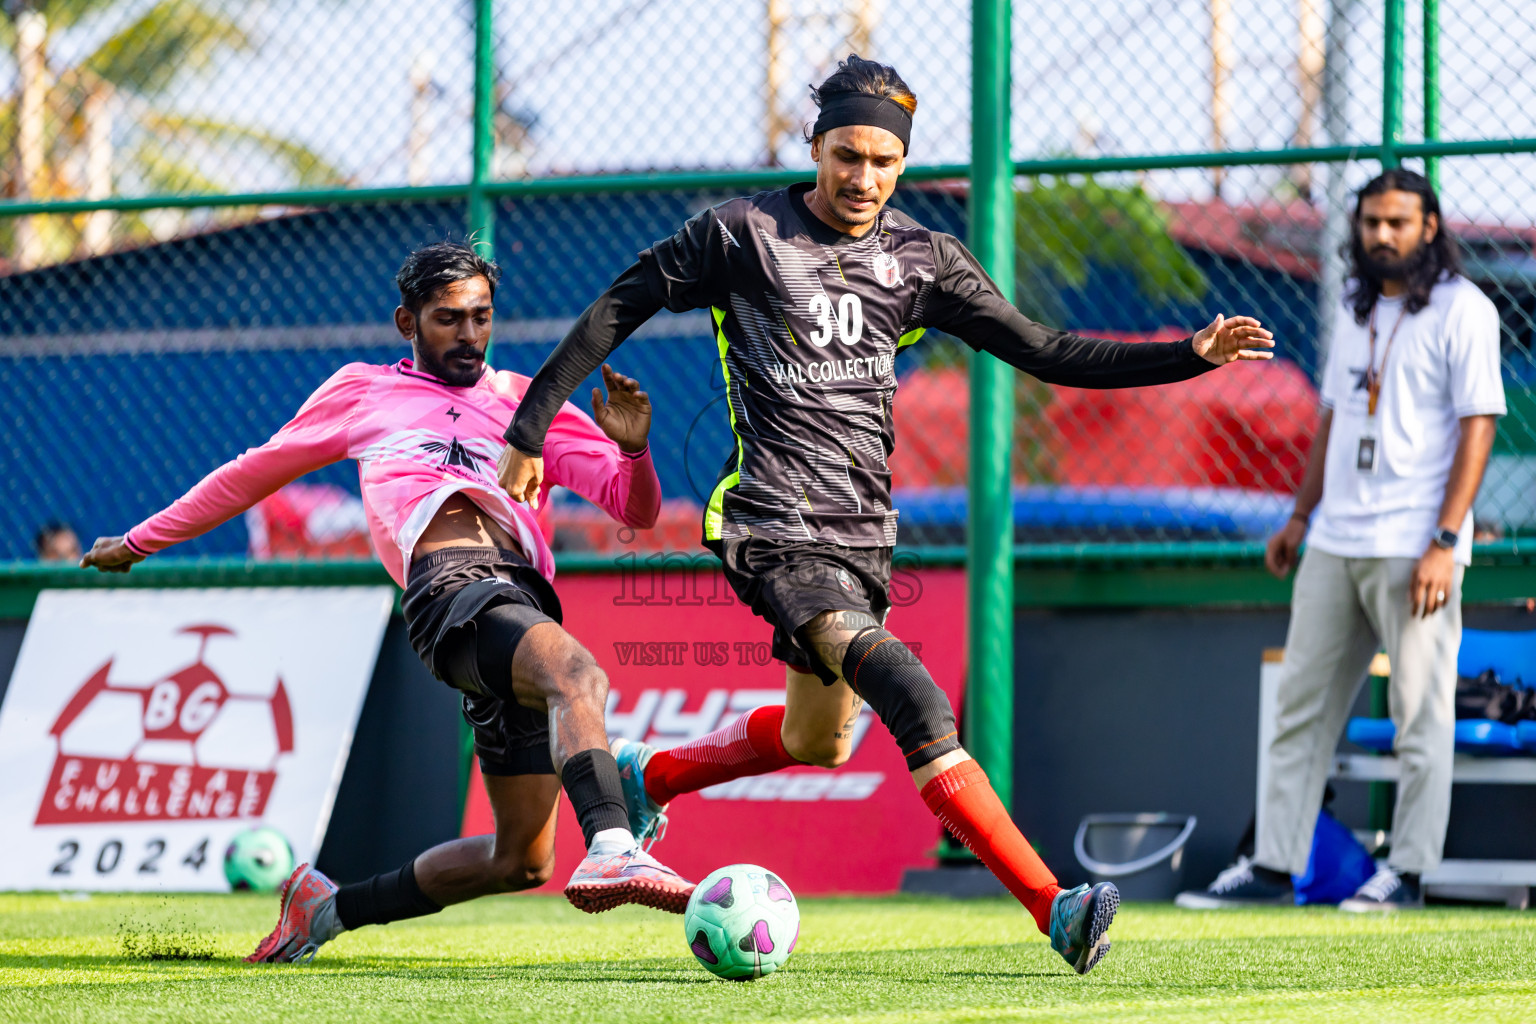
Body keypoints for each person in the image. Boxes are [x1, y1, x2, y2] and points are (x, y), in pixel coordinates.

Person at [494, 55, 1275, 974]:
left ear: (902, 165)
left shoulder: (921, 260)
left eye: (883, 162)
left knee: (814, 740)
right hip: (770, 525)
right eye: (847, 155)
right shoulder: (740, 234)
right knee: (913, 694)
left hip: (864, 532)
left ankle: (649, 776)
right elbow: (614, 310)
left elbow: (1049, 350)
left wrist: (1190, 353)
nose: (863, 178)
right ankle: (1053, 906)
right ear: (816, 146)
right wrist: (532, 427)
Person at [80, 242, 695, 963]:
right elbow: (251, 474)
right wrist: (139, 540)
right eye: (447, 319)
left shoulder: (528, 404)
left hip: (520, 602)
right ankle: (616, 843)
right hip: (452, 588)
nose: (468, 335)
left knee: (519, 861)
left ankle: (326, 910)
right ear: (408, 320)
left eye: (480, 318)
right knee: (579, 676)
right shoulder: (364, 391)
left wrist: (634, 453)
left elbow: (635, 509)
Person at [1176, 169, 1504, 912]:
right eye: (1372, 223)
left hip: (1416, 543)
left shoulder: (1466, 310)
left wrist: (1446, 539)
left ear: (1430, 228)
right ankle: (1270, 867)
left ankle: (1410, 874)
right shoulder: (1354, 308)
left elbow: (1479, 424)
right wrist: (1299, 517)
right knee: (1299, 709)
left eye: (1398, 222)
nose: (1383, 235)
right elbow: (1329, 419)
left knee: (1421, 711)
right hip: (1335, 540)